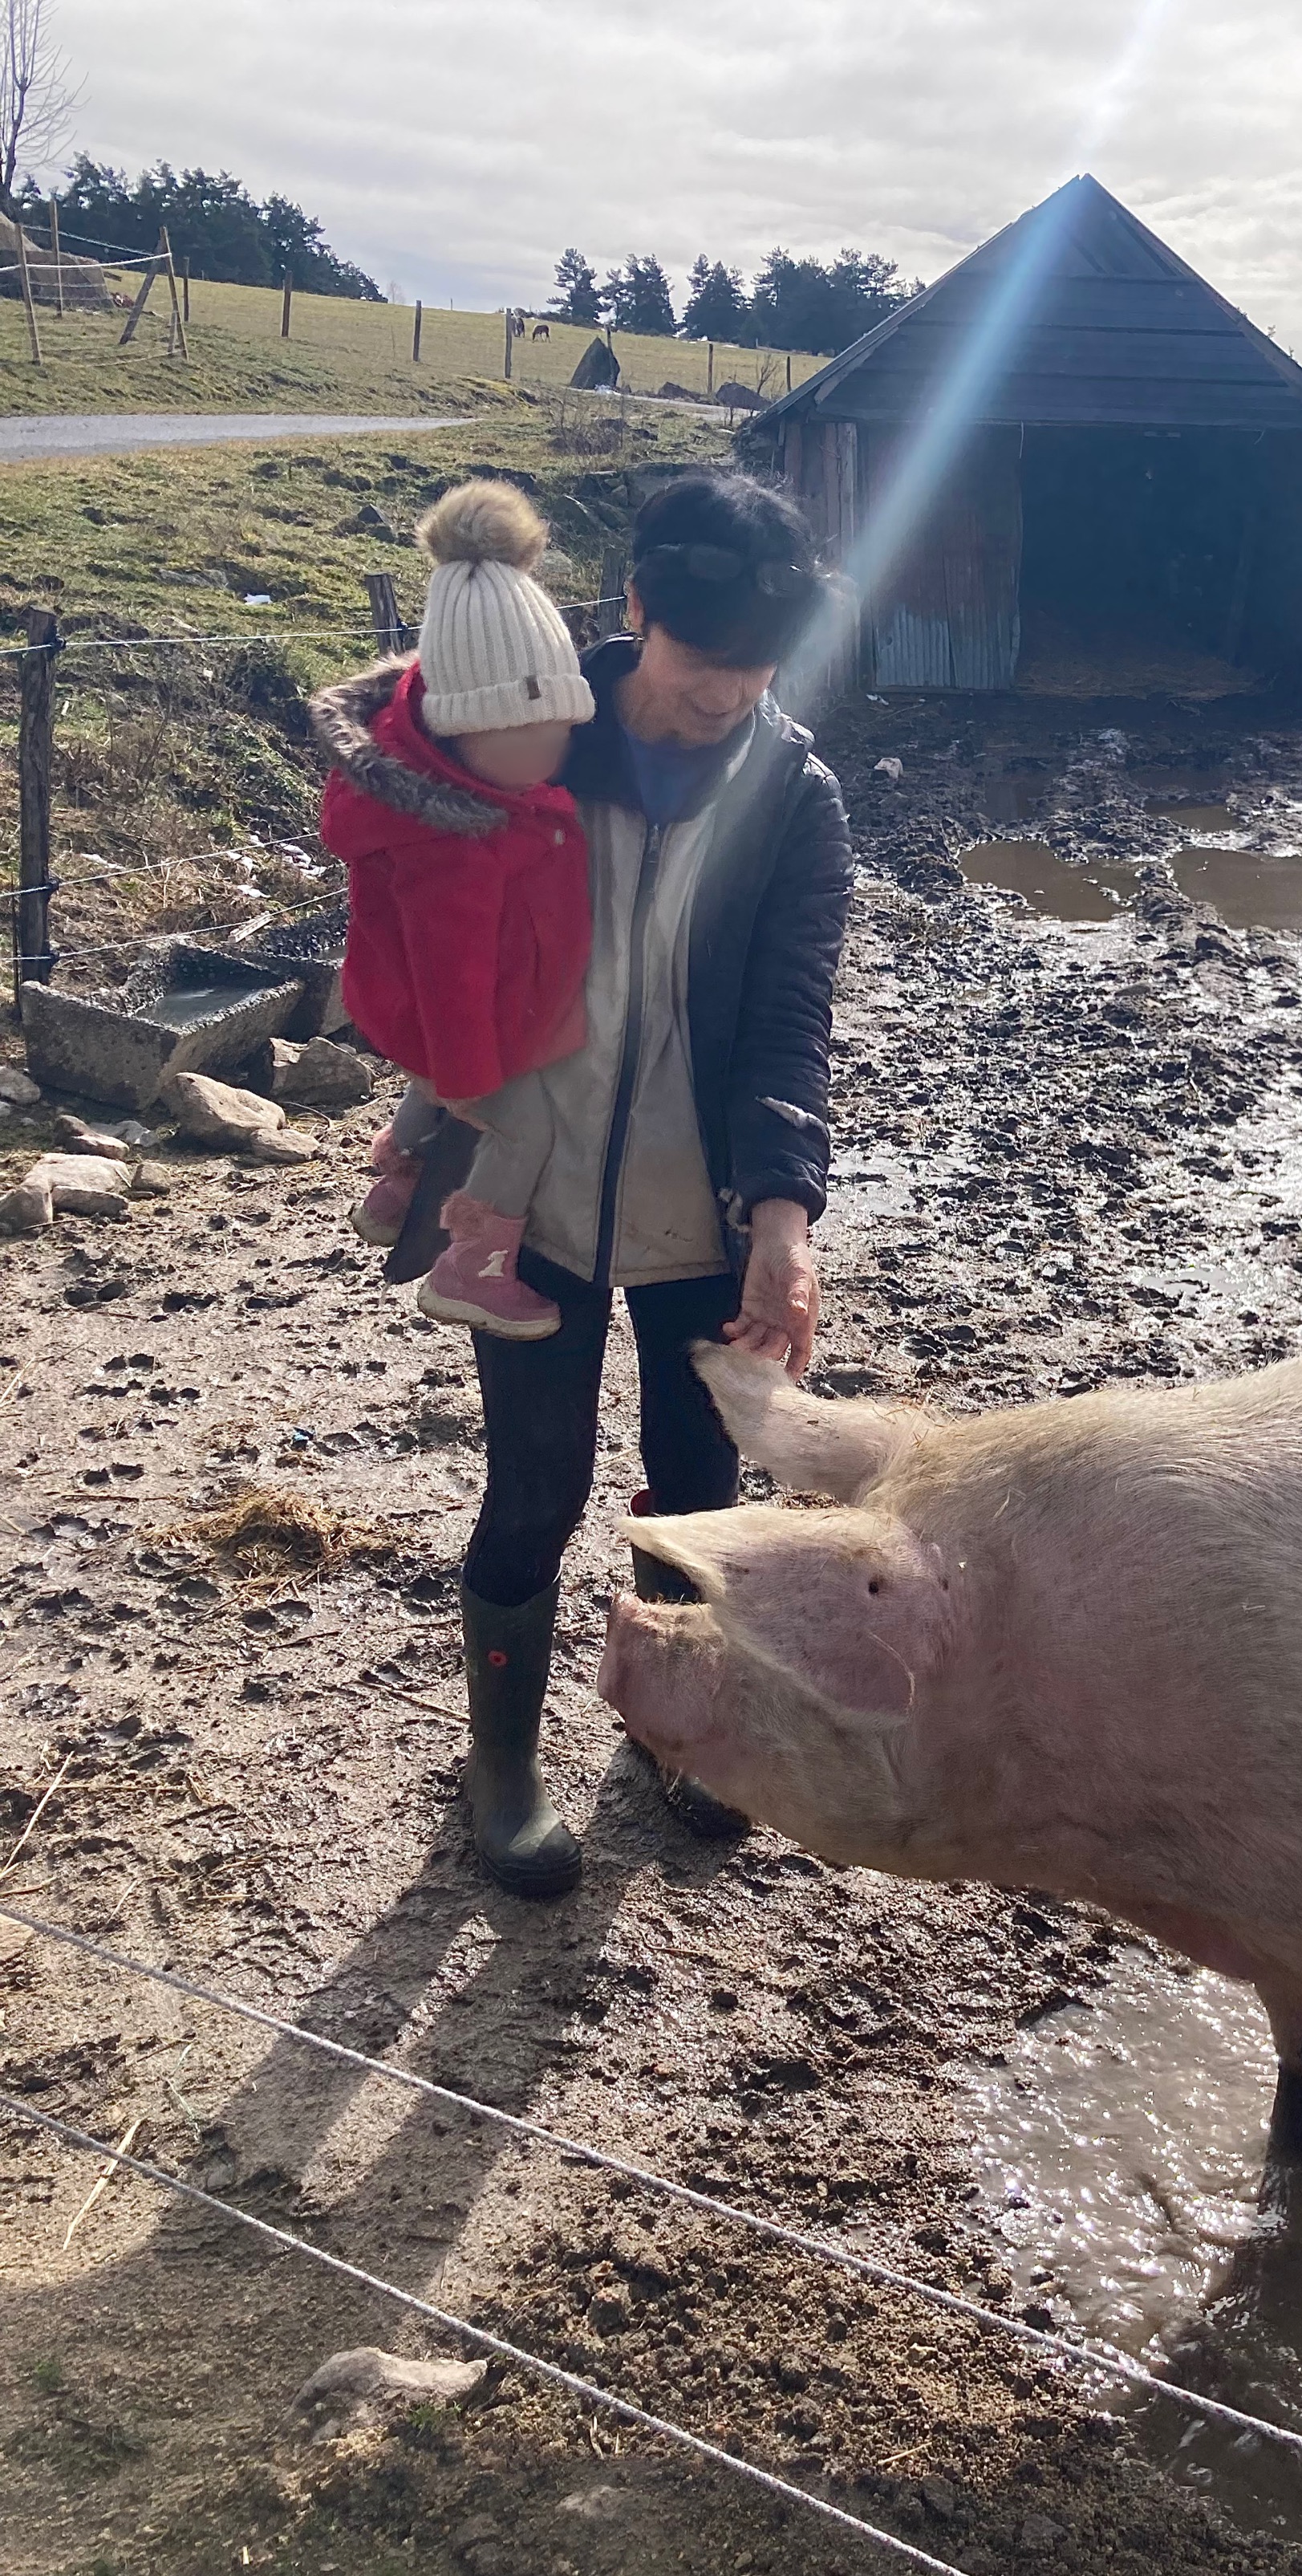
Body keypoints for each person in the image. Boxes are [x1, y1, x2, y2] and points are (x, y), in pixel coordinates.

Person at [353, 469, 850, 1899]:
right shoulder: (534, 743)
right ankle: (502, 1769)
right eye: (702, 668)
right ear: (634, 611)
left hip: (703, 1208)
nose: (725, 701)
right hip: (533, 1195)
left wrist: (782, 1217)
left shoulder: (791, 794)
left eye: (756, 674)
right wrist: (423, 1100)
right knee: (536, 1485)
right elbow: (429, 909)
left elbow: (789, 1020)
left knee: (697, 1481)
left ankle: (672, 1725)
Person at [318, 481, 597, 1342]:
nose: (550, 754)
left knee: (430, 1075)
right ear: (461, 727)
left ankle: (396, 1182)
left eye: (561, 730)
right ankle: (471, 1268)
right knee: (526, 1128)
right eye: (527, 736)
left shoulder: (460, 787)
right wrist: (469, 1075)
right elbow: (451, 969)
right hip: (466, 1022)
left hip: (430, 1016)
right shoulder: (453, 841)